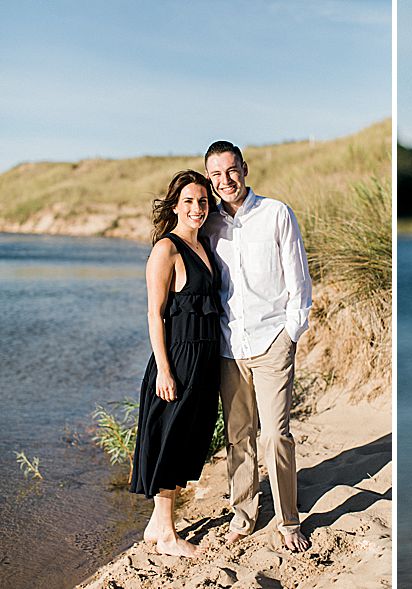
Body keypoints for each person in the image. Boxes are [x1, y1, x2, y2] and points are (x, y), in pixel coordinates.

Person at [202, 140, 314, 552]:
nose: (224, 180)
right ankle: (244, 513)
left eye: (231, 171)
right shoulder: (209, 224)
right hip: (229, 345)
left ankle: (288, 520)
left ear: (244, 169)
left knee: (276, 436)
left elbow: (298, 278)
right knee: (238, 435)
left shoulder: (276, 214)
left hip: (272, 342)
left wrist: (292, 333)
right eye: (215, 174)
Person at [130, 169, 223, 558]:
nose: (197, 208)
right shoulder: (166, 250)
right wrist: (165, 371)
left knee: (188, 438)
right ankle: (167, 534)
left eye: (203, 201)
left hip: (205, 355)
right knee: (170, 439)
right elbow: (154, 314)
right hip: (179, 357)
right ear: (174, 205)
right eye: (189, 201)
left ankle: (156, 525)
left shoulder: (204, 245)